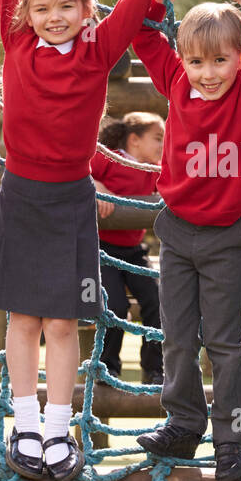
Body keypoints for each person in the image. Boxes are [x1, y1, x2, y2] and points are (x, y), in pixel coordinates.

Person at [0, 0, 158, 481]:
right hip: (23, 196)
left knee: (63, 323)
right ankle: (23, 422)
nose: (54, 16)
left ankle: (58, 426)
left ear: (85, 9)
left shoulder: (100, 50)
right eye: (43, 6)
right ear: (27, 13)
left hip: (71, 200)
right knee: (24, 320)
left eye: (67, 6)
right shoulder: (17, 40)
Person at [130, 0, 241, 481]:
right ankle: (183, 423)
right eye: (197, 61)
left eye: (221, 60)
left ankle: (232, 438)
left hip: (224, 236)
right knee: (177, 335)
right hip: (175, 230)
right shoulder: (176, 82)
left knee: (224, 342)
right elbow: (142, 32)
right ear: (183, 60)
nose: (208, 72)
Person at [91, 112, 165, 385]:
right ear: (134, 140)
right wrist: (96, 185)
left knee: (157, 303)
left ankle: (155, 369)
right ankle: (107, 367)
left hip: (134, 251)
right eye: (158, 139)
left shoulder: (154, 169)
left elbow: (175, 187)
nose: (162, 147)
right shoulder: (108, 157)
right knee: (115, 306)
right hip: (102, 250)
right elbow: (77, 172)